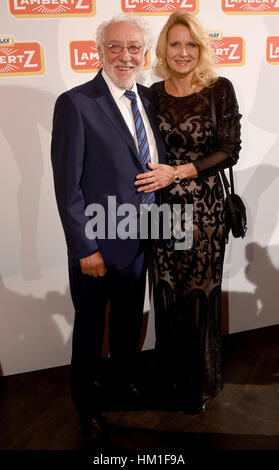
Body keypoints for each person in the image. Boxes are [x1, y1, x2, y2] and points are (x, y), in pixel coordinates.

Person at [51, 15, 166, 440]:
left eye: (133, 47)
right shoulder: (76, 103)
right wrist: (85, 248)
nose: (125, 55)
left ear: (144, 54)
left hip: (140, 240)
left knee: (126, 324)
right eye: (115, 47)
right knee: (89, 330)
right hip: (97, 245)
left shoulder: (151, 100)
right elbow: (67, 186)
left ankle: (122, 384)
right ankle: (86, 406)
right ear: (99, 51)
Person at [135, 11, 242, 413]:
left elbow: (229, 151)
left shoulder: (219, 90)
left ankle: (200, 381)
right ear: (164, 48)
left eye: (191, 44)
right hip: (162, 209)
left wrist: (178, 172)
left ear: (201, 48)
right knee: (166, 292)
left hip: (206, 210)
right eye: (176, 44)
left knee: (199, 293)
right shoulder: (151, 93)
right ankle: (170, 377)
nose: (183, 52)